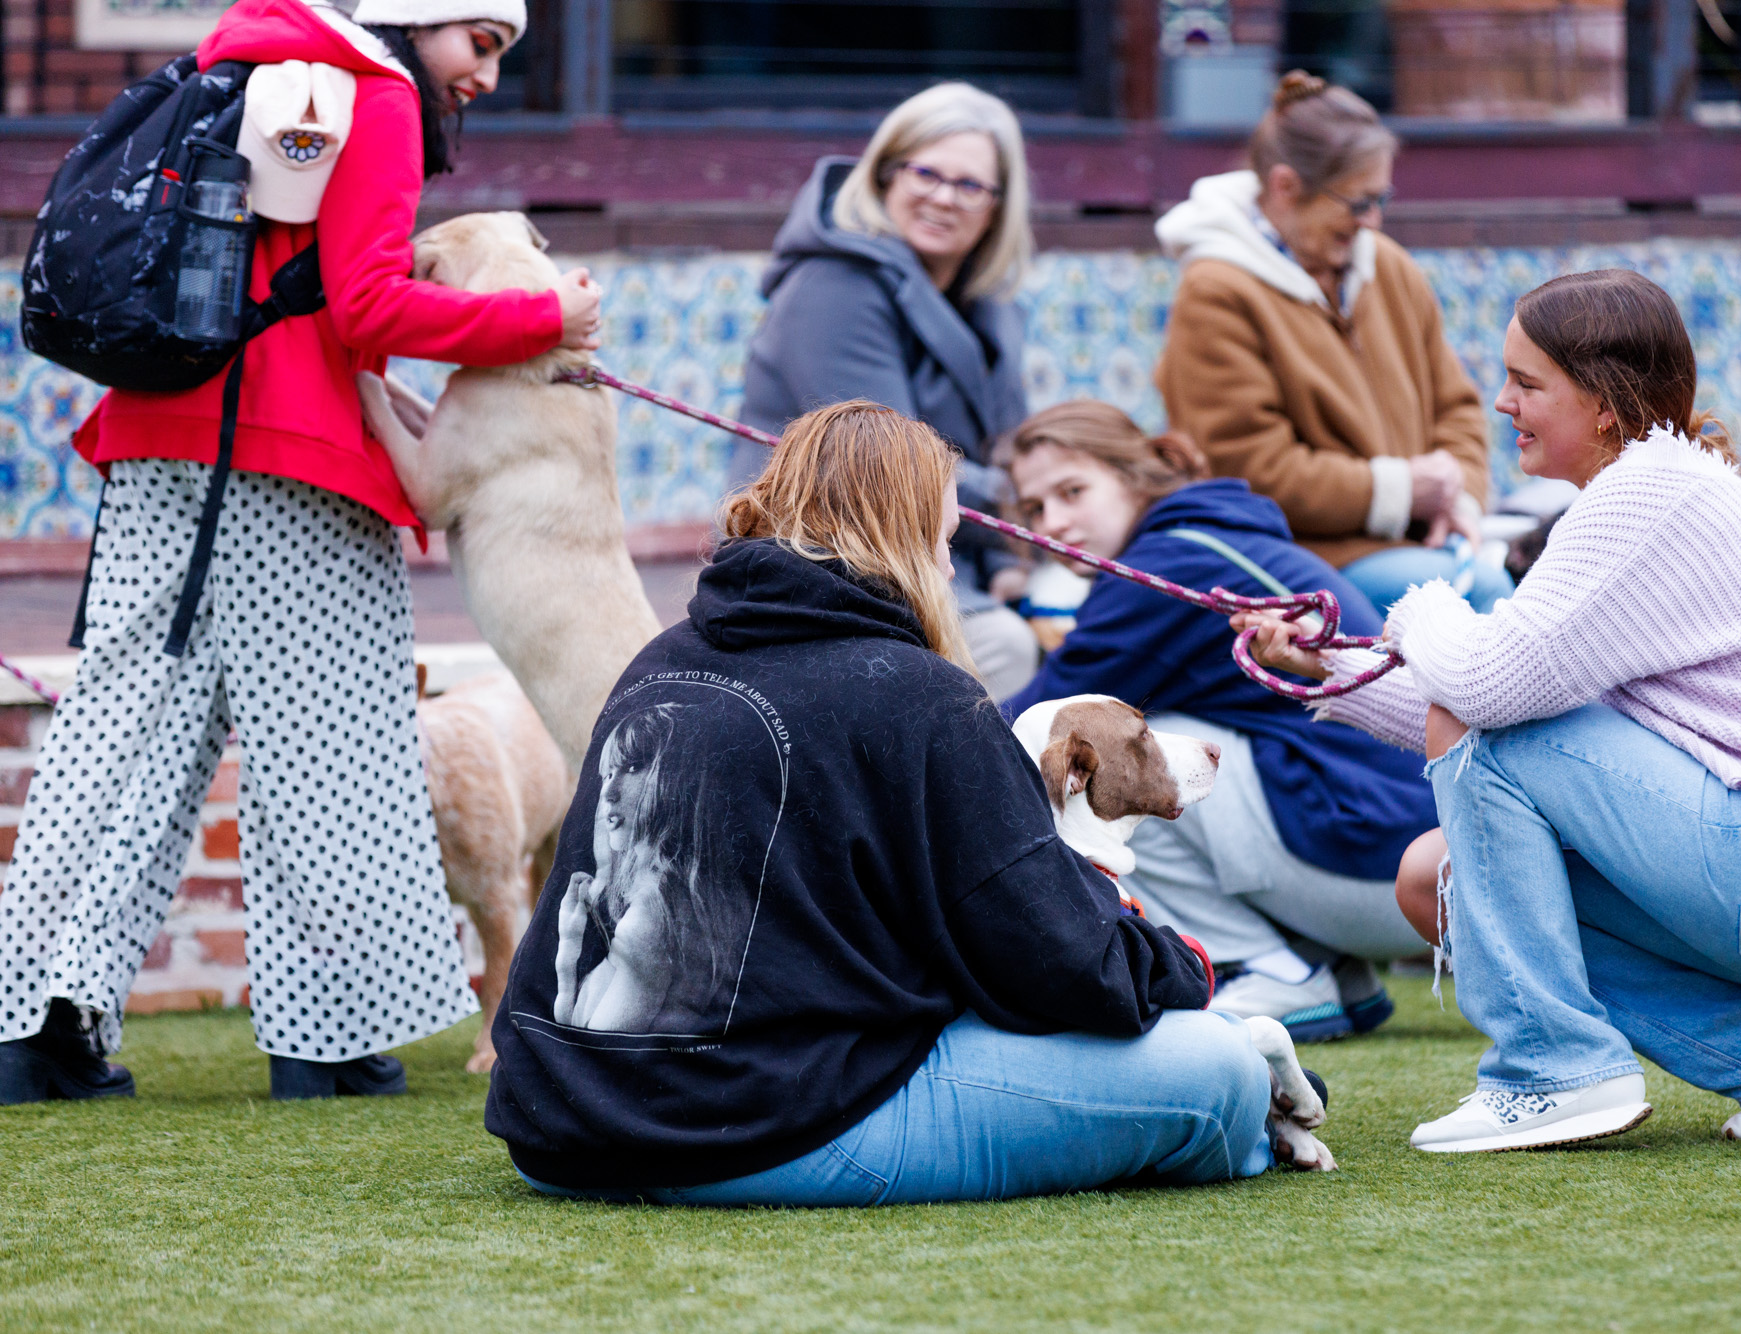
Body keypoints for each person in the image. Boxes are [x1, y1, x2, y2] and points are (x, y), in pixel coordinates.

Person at [0, 0, 603, 1105]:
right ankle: (327, 1042)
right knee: (331, 742)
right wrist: (536, 322)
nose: (487, 73)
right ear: (419, 22)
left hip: (155, 435)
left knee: (121, 735)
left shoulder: (232, 65)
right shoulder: (370, 92)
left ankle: (34, 1027)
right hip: (288, 459)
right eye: (481, 40)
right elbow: (366, 305)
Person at [487, 401, 1288, 1206]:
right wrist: (1180, 963)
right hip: (752, 1133)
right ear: (900, 541)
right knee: (1219, 1069)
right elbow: (1068, 968)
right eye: (942, 542)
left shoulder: (660, 658)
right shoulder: (924, 697)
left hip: (559, 1134)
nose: (947, 571)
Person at [1237, 269, 1741, 1151]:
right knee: (1434, 883)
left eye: (1526, 383)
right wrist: (1323, 663)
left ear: (1605, 403)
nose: (1500, 402)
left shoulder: (1643, 496)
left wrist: (1420, 614)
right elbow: (1481, 700)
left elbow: (1484, 696)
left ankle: (1555, 1071)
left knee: (1486, 734)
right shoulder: (1649, 490)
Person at [996, 401, 1434, 1040]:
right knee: (1159, 743)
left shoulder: (1164, 566)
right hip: (1405, 853)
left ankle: (1265, 969)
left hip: (1394, 870)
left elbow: (1029, 732)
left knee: (1127, 764)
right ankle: (1334, 976)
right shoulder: (1199, 540)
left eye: (1073, 491)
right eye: (1036, 510)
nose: (1055, 522)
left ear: (1136, 475)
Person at [1153, 71, 1511, 618]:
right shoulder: (1215, 291)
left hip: (1423, 544)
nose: (1373, 219)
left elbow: (1457, 407)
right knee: (1483, 596)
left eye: (1381, 198)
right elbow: (1248, 469)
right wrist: (1401, 491)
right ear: (1285, 186)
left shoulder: (1388, 264)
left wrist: (1456, 501)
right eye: (1358, 202)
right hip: (1303, 560)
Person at [741, 82, 1040, 697]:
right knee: (1007, 650)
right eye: (925, 172)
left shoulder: (992, 304)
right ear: (884, 175)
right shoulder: (835, 286)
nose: (942, 197)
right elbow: (886, 476)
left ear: (997, 206)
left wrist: (1016, 559)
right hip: (829, 575)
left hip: (948, 560)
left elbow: (1017, 447)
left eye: (969, 185)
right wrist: (1043, 503)